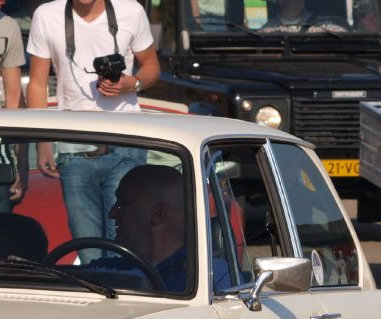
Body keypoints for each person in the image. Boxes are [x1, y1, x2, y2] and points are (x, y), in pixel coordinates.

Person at [25, 0, 160, 256]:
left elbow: (152, 66)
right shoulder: (46, 15)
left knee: (124, 245)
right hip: (74, 149)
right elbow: (37, 83)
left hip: (126, 146)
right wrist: (42, 141)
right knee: (88, 250)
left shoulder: (130, 10)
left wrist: (132, 84)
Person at [96, 164, 231, 293]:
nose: (112, 214)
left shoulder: (211, 277)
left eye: (122, 205)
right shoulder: (105, 269)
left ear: (157, 214)